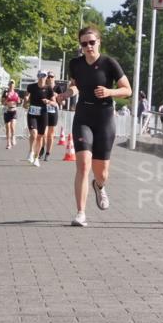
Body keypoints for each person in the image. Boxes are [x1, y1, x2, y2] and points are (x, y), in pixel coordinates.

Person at [55, 26, 131, 227]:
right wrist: (65, 94)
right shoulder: (76, 64)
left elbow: (127, 90)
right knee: (83, 165)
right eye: (84, 44)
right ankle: (81, 213)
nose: (88, 47)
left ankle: (99, 186)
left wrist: (109, 92)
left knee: (102, 173)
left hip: (104, 119)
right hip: (83, 118)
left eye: (91, 42)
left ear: (99, 42)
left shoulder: (109, 63)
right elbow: (74, 85)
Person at [24, 71, 55, 166]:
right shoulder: (31, 86)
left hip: (43, 114)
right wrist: (26, 99)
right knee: (34, 133)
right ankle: (31, 152)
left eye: (44, 76)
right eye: (40, 75)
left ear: (46, 77)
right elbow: (26, 96)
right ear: (37, 76)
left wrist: (48, 101)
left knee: (40, 137)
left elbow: (54, 103)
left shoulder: (49, 89)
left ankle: (36, 158)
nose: (42, 77)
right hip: (32, 113)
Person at [42, 72, 59, 162]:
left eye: (52, 76)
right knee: (43, 133)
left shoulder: (58, 88)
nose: (50, 78)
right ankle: (42, 148)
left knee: (51, 134)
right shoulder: (43, 87)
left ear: (54, 78)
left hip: (53, 111)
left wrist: (57, 96)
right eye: (48, 76)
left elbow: (63, 102)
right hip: (44, 111)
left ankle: (48, 153)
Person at [2, 80, 21, 149]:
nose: (11, 85)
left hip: (14, 110)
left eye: (12, 84)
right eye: (10, 84)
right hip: (7, 111)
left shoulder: (16, 93)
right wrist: (7, 98)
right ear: (8, 85)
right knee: (8, 127)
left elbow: (19, 101)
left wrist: (18, 100)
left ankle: (13, 136)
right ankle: (8, 143)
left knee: (12, 126)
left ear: (14, 85)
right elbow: (2, 103)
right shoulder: (5, 93)